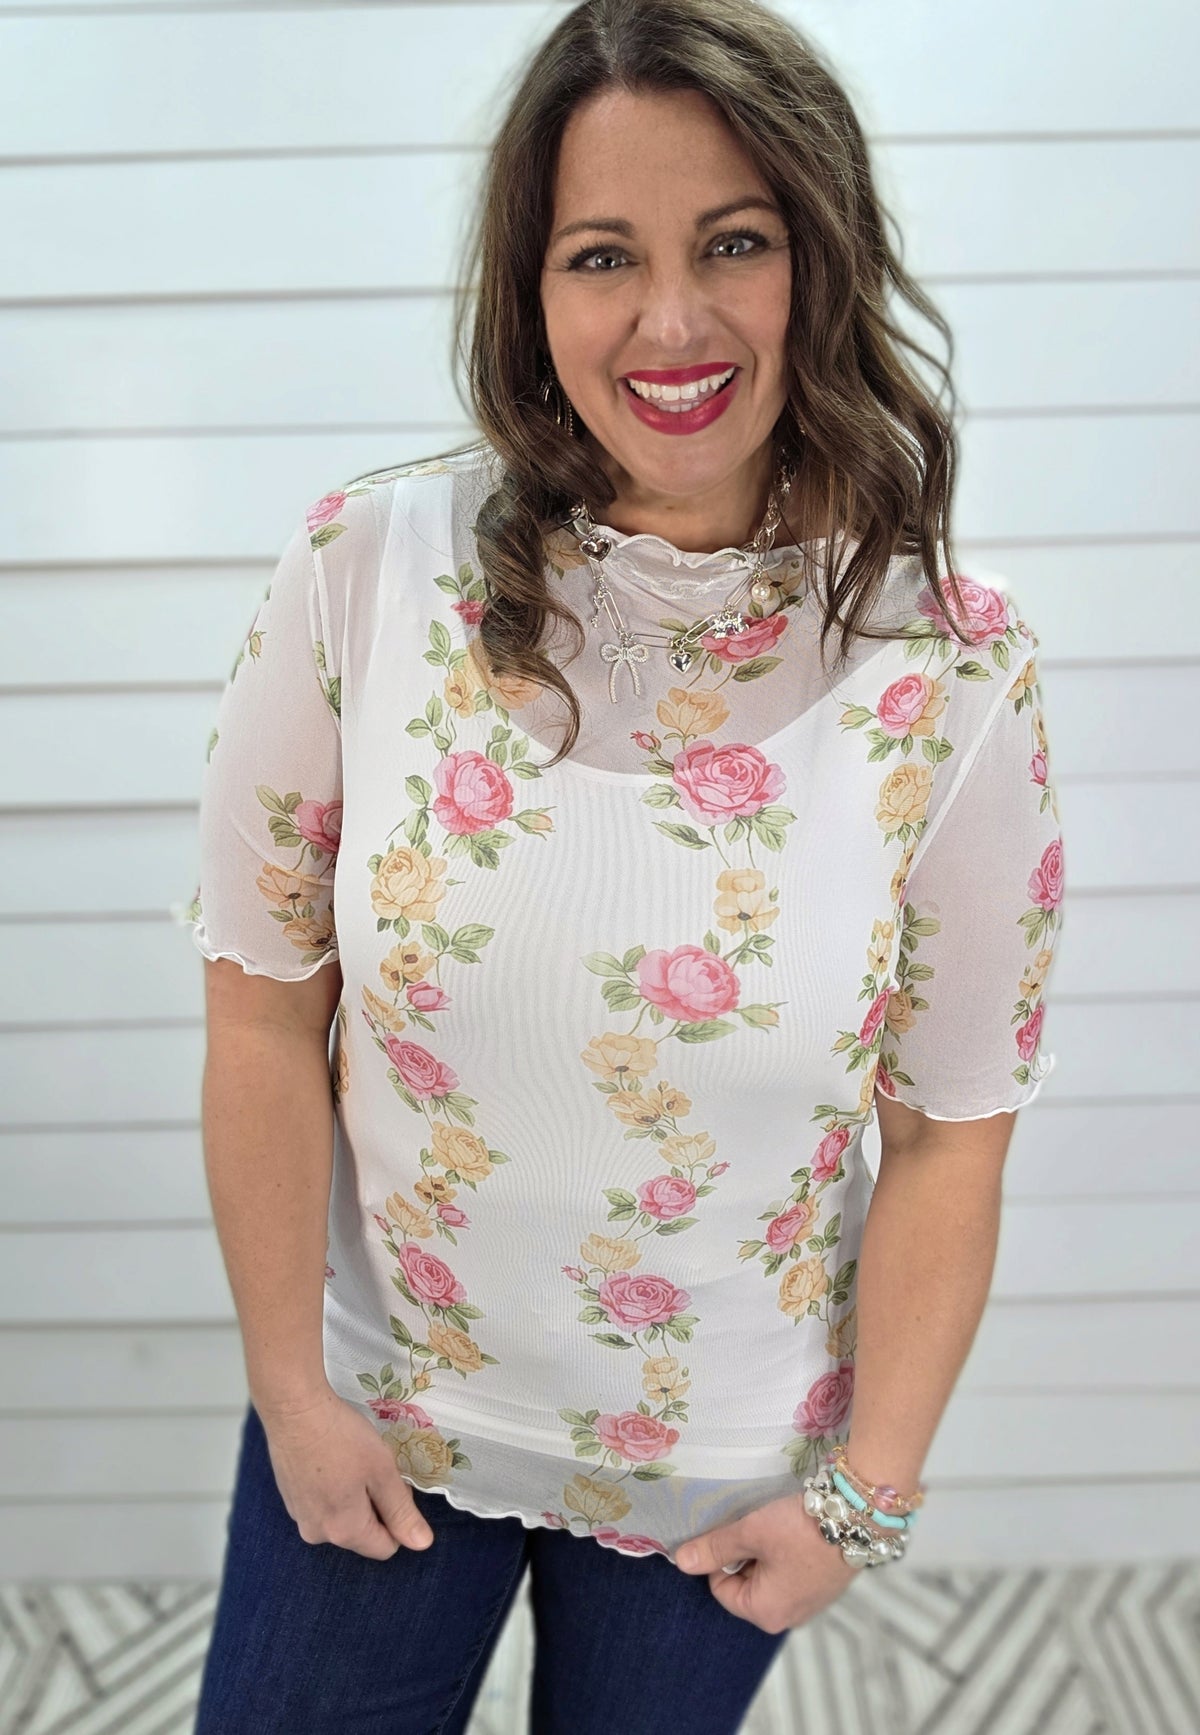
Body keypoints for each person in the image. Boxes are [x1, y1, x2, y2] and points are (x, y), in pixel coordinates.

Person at [184, 1, 1065, 1729]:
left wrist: (865, 1489)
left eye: (735, 242)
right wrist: (289, 1385)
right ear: (533, 291)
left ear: (824, 255)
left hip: (727, 1484)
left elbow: (950, 1130)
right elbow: (259, 1014)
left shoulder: (953, 666)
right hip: (377, 1423)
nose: (673, 320)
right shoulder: (367, 569)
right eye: (603, 256)